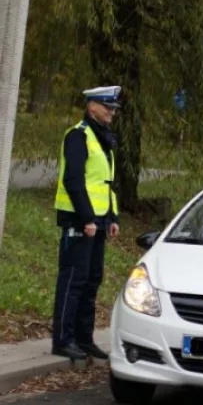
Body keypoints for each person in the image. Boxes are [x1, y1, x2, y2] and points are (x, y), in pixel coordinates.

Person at [51, 86, 122, 360]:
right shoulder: (78, 136)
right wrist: (87, 219)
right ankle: (63, 339)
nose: (112, 112)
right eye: (107, 107)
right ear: (92, 106)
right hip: (80, 220)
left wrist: (111, 218)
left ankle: (84, 338)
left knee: (92, 279)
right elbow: (73, 181)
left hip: (99, 220)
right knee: (73, 279)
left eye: (114, 108)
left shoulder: (102, 138)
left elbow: (105, 185)